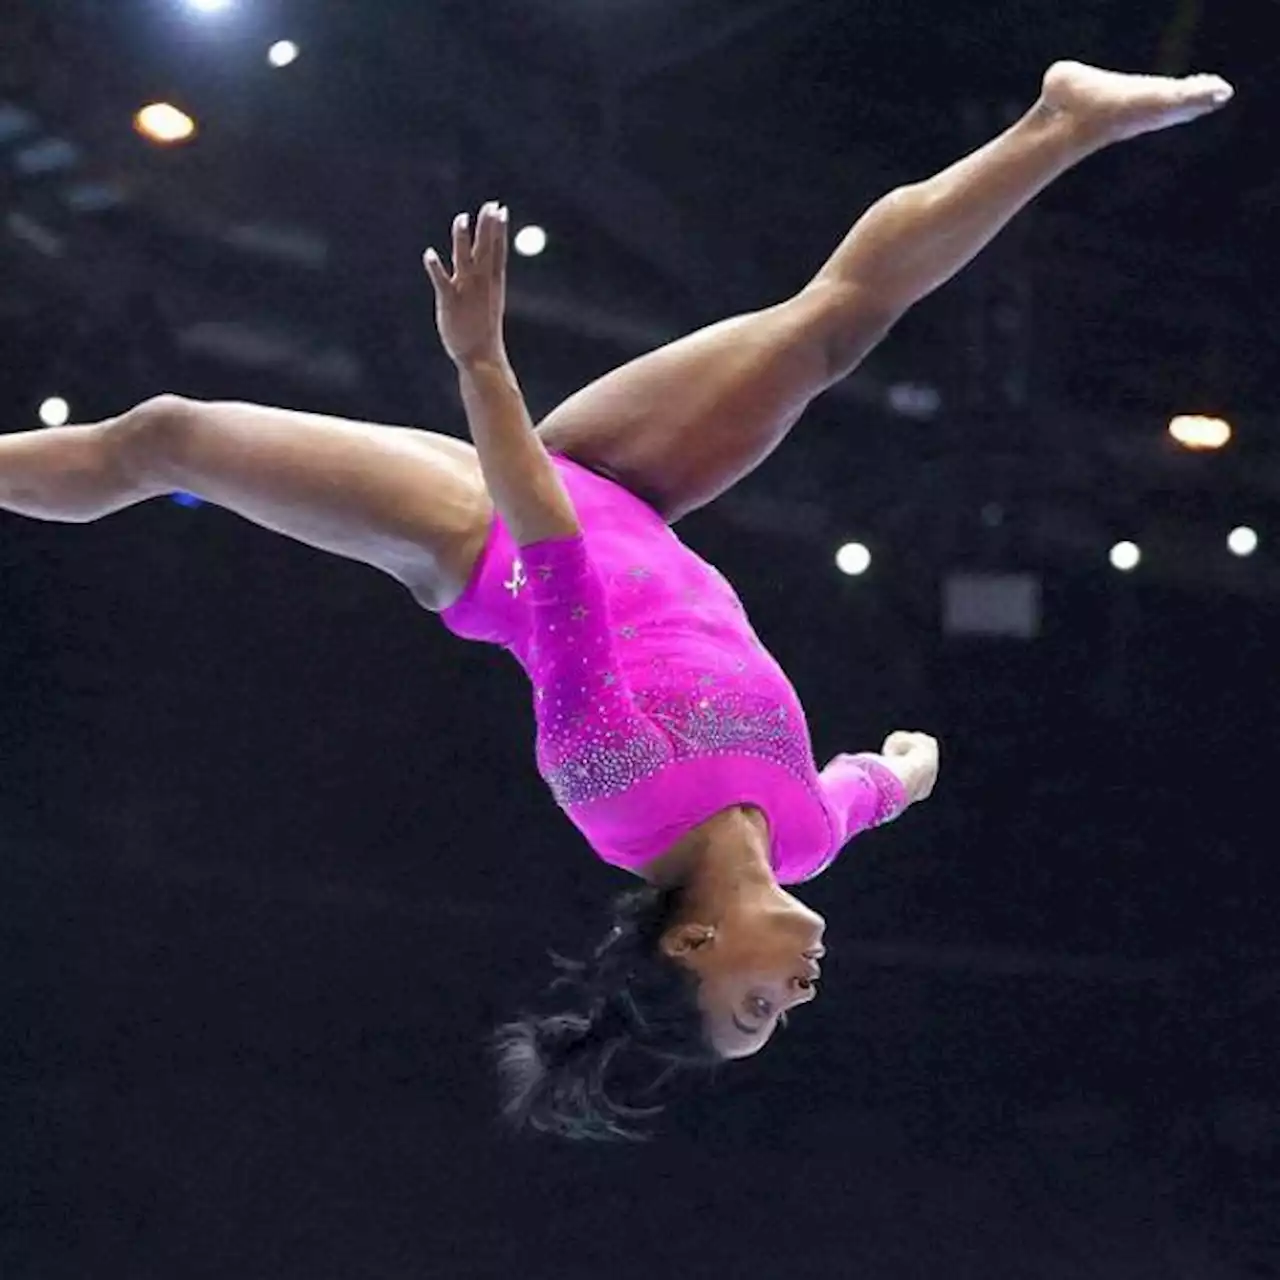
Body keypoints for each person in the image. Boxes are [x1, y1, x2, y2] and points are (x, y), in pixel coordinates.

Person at [0, 62, 1232, 1139]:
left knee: (167, 433)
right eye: (781, 1016)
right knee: (829, 325)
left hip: (485, 537)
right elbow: (870, 787)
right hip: (632, 495)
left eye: (754, 1006)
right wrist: (909, 767)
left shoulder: (616, 791)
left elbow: (554, 562)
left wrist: (481, 361)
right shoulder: (798, 835)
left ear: (691, 946)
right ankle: (1061, 122)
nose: (795, 994)